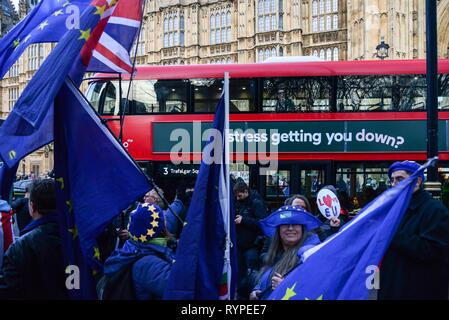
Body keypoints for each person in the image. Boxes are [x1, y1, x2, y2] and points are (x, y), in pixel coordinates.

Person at [378, 160, 449, 300]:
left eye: (400, 179)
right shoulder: (395, 210)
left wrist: (391, 232)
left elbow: (431, 250)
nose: (394, 184)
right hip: (393, 288)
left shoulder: (435, 210)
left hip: (418, 290)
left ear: (417, 182)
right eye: (392, 180)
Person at [0, 179, 68, 299]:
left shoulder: (19, 248)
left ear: (32, 206)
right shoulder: (75, 243)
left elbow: (8, 292)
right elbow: (77, 285)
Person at [100, 203, 175, 300]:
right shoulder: (148, 264)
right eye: (164, 219)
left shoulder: (132, 245)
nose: (166, 221)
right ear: (161, 228)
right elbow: (179, 287)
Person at [250, 205, 322, 300]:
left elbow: (317, 290)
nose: (290, 228)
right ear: (278, 230)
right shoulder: (276, 254)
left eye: (295, 224)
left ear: (302, 229)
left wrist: (285, 288)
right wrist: (256, 291)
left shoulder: (309, 255)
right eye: (285, 224)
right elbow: (265, 278)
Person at [233, 181, 267, 299]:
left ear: (246, 192)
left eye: (240, 195)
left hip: (252, 246)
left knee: (251, 273)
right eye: (236, 196)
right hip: (241, 245)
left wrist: (244, 220)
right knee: (241, 273)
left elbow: (262, 223)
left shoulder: (256, 203)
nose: (238, 198)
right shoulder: (241, 204)